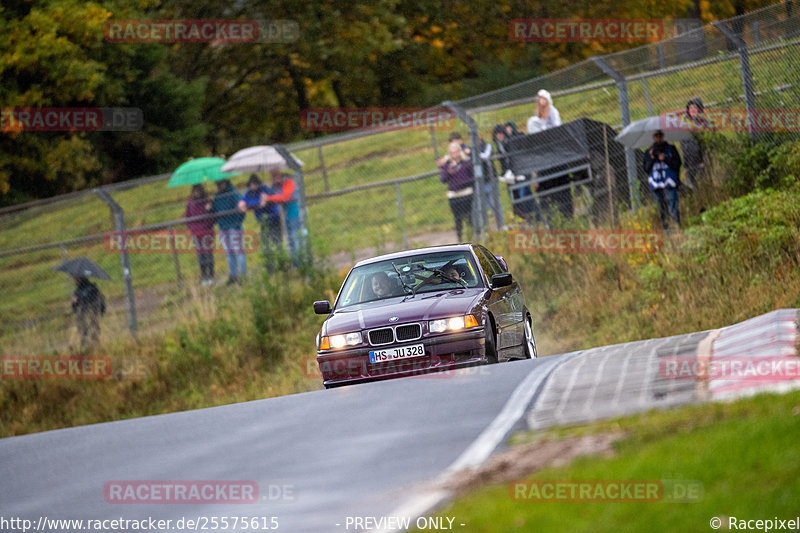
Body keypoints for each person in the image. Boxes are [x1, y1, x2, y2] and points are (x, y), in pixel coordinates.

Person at [492, 124, 547, 227]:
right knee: (520, 197)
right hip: (512, 176)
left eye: (500, 134)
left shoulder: (511, 142)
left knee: (524, 195)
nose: (499, 137)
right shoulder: (499, 146)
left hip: (522, 173)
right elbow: (504, 162)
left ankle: (537, 217)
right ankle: (530, 218)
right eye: (497, 135)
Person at [238, 174, 281, 273]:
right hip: (263, 222)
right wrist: (242, 203)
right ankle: (270, 267)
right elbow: (245, 201)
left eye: (255, 184)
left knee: (277, 242)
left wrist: (267, 198)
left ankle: (281, 263)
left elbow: (272, 198)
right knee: (266, 244)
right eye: (251, 184)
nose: (253, 186)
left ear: (258, 183)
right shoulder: (249, 193)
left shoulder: (265, 189)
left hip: (274, 218)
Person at [644, 130, 682, 231]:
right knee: (661, 210)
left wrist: (665, 159)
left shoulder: (671, 149)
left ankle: (677, 229)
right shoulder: (648, 152)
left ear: (663, 136)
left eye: (660, 135)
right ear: (653, 137)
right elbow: (646, 169)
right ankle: (666, 230)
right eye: (656, 136)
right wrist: (652, 158)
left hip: (669, 184)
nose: (659, 138)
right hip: (656, 186)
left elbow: (677, 164)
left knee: (672, 209)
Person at [211, 179, 247, 285]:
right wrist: (209, 207)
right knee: (229, 253)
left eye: (220, 183)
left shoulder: (233, 192)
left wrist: (237, 222)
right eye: (217, 183)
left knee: (239, 252)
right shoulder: (217, 196)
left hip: (234, 227)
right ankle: (233, 275)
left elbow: (241, 203)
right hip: (223, 228)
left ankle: (243, 276)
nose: (218, 185)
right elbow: (214, 210)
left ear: (225, 182)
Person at [264, 168, 302, 267]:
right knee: (290, 240)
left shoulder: (289, 182)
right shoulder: (276, 186)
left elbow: (285, 197)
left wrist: (268, 198)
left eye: (275, 175)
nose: (274, 178)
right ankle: (294, 263)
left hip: (295, 214)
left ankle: (299, 262)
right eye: (272, 176)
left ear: (280, 174)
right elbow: (274, 196)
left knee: (295, 238)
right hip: (286, 215)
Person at [439, 142, 474, 242]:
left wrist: (463, 182)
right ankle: (460, 239)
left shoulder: (466, 163)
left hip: (466, 192)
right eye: (452, 153)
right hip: (454, 195)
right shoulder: (447, 165)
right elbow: (443, 179)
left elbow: (472, 177)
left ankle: (470, 236)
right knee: (457, 218)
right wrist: (449, 172)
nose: (454, 155)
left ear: (459, 152)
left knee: (469, 216)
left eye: (455, 152)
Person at [184, 184, 215, 285]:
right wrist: (192, 228)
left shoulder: (208, 202)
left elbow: (213, 219)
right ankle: (204, 277)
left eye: (198, 191)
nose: (196, 193)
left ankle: (211, 276)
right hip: (196, 234)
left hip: (207, 232)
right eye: (195, 192)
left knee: (208, 254)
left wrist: (209, 210)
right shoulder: (190, 203)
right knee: (200, 256)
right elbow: (187, 218)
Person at [679, 98, 707, 189]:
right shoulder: (684, 125)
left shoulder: (704, 123)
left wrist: (704, 161)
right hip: (690, 163)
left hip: (700, 162)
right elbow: (683, 148)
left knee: (704, 184)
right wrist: (686, 167)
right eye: (691, 108)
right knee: (694, 186)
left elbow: (705, 145)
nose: (693, 110)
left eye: (695, 108)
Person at [72, 275, 106, 350]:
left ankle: (93, 350)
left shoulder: (90, 289)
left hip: (89, 318)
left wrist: (76, 301)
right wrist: (74, 302)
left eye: (75, 279)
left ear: (80, 279)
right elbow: (75, 309)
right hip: (85, 319)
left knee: (91, 336)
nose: (74, 281)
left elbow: (99, 304)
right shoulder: (79, 291)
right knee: (87, 337)